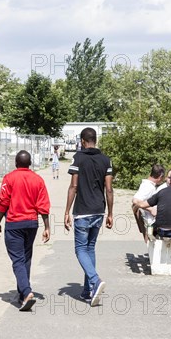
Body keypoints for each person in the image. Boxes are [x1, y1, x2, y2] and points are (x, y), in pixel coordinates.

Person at [0, 150, 51, 311]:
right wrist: (47, 226)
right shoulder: (38, 180)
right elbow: (43, 205)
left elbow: (3, 202)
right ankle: (22, 294)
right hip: (32, 224)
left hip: (14, 224)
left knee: (18, 260)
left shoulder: (9, 178)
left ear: (16, 163)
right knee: (26, 258)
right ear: (30, 164)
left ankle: (26, 292)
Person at [64, 127, 113, 306]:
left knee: (80, 249)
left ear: (83, 141)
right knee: (90, 248)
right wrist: (111, 213)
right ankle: (87, 291)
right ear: (95, 140)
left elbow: (73, 187)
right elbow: (109, 189)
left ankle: (95, 280)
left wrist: (66, 211)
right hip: (99, 210)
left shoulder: (78, 158)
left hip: (83, 211)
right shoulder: (106, 160)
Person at [132, 164, 166, 241]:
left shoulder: (148, 185)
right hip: (149, 220)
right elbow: (135, 200)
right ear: (160, 176)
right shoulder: (148, 187)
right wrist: (150, 209)